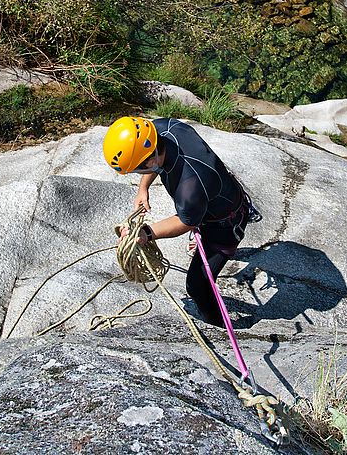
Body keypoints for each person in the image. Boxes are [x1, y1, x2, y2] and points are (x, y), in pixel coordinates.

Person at [103, 116, 253, 327]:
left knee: (197, 285)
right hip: (215, 194)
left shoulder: (189, 187)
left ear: (150, 161)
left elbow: (186, 222)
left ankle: (217, 327)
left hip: (224, 224)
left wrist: (145, 233)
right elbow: (151, 158)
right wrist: (142, 188)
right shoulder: (163, 127)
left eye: (138, 170)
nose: (139, 173)